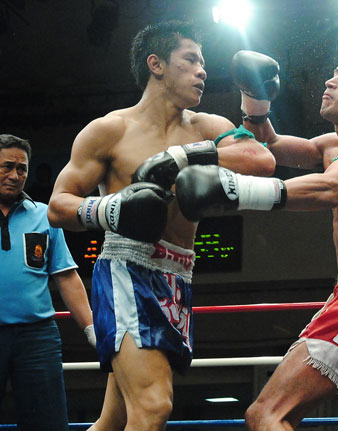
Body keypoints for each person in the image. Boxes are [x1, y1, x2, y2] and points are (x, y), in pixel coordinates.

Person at [47, 20, 275, 431]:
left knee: (113, 420)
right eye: (191, 60)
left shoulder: (208, 127)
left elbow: (261, 160)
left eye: (204, 63)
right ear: (156, 64)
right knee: (153, 407)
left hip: (178, 275)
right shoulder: (110, 130)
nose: (202, 71)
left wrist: (182, 156)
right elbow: (58, 206)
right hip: (126, 270)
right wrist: (113, 209)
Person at [174, 43, 338, 431]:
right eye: (334, 72)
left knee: (266, 414)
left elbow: (332, 188)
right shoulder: (332, 145)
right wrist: (255, 97)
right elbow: (267, 147)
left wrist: (236, 191)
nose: (330, 81)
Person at [0, 134, 95, 431]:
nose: (15, 175)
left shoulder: (44, 215)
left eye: (22, 169)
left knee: (47, 423)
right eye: (7, 166)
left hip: (36, 337)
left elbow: (65, 275)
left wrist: (91, 328)